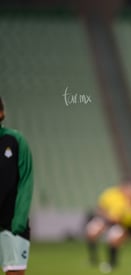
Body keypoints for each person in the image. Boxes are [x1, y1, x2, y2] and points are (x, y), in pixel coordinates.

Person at [0, 96, 34, 275]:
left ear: (1, 113)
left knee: (14, 273)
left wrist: (18, 220)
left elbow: (25, 181)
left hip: (11, 223)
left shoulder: (15, 140)